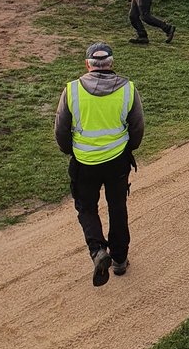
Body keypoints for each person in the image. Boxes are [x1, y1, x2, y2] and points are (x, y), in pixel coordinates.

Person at [55, 41, 144, 286]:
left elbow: (61, 132)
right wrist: (128, 149)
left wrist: (71, 151)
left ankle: (98, 251)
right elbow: (137, 128)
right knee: (117, 207)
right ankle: (120, 260)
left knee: (86, 208)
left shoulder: (71, 90)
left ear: (87, 64)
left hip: (84, 164)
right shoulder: (128, 89)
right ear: (111, 63)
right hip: (117, 162)